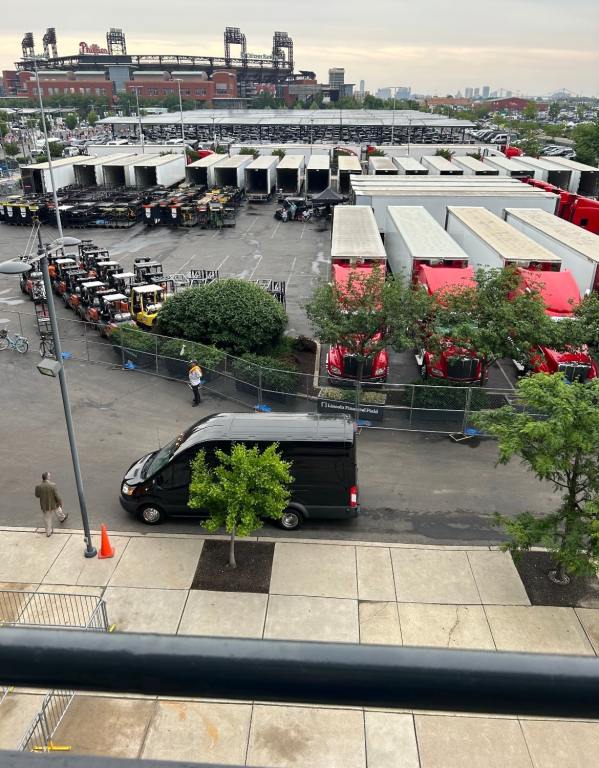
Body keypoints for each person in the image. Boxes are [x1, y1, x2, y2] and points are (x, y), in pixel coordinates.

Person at [34, 472, 67, 537]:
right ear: (47, 477)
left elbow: (37, 495)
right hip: (54, 503)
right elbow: (56, 495)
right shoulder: (52, 485)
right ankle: (62, 518)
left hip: (45, 505)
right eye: (49, 476)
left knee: (47, 519)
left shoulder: (38, 486)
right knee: (58, 511)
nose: (50, 477)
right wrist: (60, 502)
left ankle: (48, 533)